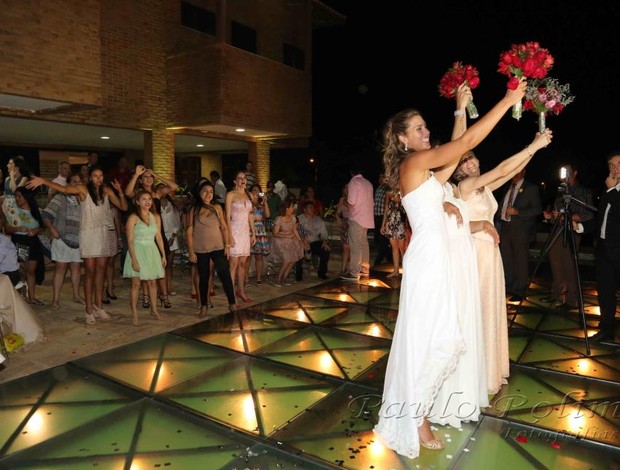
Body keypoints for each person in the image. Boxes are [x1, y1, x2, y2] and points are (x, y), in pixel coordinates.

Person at [372, 81, 526, 459]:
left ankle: (419, 409)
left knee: (440, 336)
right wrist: (507, 99)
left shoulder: (425, 171)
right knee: (435, 338)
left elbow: (454, 159)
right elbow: (463, 144)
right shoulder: (413, 164)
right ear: (403, 139)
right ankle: (417, 417)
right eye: (420, 129)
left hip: (439, 257)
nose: (427, 132)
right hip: (427, 259)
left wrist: (460, 108)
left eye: (427, 127)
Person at [452, 130, 553, 394]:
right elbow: (500, 169)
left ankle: (487, 367)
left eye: (471, 157)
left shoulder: (483, 186)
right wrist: (533, 145)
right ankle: (473, 370)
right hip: (475, 253)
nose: (471, 163)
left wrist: (535, 150)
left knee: (490, 308)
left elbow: (510, 171)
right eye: (464, 161)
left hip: (490, 255)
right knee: (478, 309)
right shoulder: (466, 187)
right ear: (457, 169)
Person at [26, 165, 129, 324]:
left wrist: (120, 191)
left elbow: (124, 207)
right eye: (95, 175)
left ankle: (98, 306)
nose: (98, 179)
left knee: (101, 270)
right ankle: (88, 310)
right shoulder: (83, 189)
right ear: (90, 177)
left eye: (101, 175)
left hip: (102, 234)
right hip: (88, 235)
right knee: (89, 272)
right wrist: (43, 181)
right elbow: (63, 189)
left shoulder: (106, 191)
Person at [579, 152, 620, 342]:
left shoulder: (611, 190)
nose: (615, 169)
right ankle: (606, 328)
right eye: (611, 165)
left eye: (619, 164)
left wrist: (611, 191)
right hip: (604, 248)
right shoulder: (610, 190)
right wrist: (580, 227)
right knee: (605, 292)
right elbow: (600, 219)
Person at [542, 163, 594, 309]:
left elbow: (587, 214)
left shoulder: (582, 191)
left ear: (575, 173)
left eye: (569, 172)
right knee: (556, 264)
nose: (566, 175)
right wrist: (550, 217)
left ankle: (571, 299)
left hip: (571, 232)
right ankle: (558, 295)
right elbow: (557, 213)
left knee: (570, 265)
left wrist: (565, 217)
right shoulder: (561, 191)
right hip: (556, 232)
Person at [186, 180, 237, 317]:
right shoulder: (194, 209)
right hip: (201, 248)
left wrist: (227, 244)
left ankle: (232, 303)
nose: (208, 194)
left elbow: (224, 227)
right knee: (204, 277)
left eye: (211, 191)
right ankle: (203, 305)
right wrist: (191, 251)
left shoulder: (217, 207)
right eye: (205, 191)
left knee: (224, 275)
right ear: (199, 193)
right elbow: (189, 230)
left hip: (218, 246)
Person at [497, 167, 543, 301]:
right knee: (507, 259)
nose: (515, 174)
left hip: (521, 230)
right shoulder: (508, 187)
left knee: (520, 261)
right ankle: (509, 287)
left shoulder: (531, 188)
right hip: (505, 228)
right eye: (514, 171)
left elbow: (537, 209)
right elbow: (502, 205)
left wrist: (518, 212)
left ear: (524, 172)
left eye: (518, 171)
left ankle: (520, 290)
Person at [42, 173, 85, 310]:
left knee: (76, 268)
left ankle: (76, 295)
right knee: (60, 269)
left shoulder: (83, 199)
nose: (77, 184)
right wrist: (52, 229)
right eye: (74, 181)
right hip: (62, 239)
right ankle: (55, 300)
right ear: (67, 184)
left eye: (79, 181)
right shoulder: (60, 197)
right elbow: (46, 215)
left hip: (79, 240)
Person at [123, 190, 166, 326]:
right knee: (136, 284)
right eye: (143, 199)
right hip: (137, 250)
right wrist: (134, 259)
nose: (147, 202)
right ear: (137, 202)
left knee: (153, 283)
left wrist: (163, 254)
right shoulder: (133, 218)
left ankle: (154, 310)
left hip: (151, 251)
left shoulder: (156, 217)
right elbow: (129, 240)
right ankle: (134, 313)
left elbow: (158, 236)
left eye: (149, 199)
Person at [1, 187, 46, 305]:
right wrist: (17, 228)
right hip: (20, 242)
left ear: (27, 197)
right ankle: (19, 299)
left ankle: (31, 297)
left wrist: (36, 230)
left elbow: (42, 227)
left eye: (19, 196)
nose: (17, 198)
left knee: (31, 271)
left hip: (33, 242)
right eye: (15, 196)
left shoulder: (36, 211)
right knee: (21, 270)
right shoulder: (13, 211)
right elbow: (6, 229)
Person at [225, 171, 256, 303]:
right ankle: (232, 295)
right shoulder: (230, 194)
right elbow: (226, 216)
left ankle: (241, 291)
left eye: (244, 178)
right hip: (234, 230)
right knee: (233, 263)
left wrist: (253, 232)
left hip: (245, 232)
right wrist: (229, 236)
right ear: (235, 181)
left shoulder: (249, 195)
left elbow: (250, 215)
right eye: (240, 178)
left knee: (243, 263)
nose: (243, 180)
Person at [340, 167, 374, 281]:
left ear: (351, 172)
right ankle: (365, 269)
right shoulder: (368, 183)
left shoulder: (354, 182)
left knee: (355, 245)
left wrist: (345, 201)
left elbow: (351, 201)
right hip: (367, 218)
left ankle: (354, 272)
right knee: (364, 243)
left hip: (357, 218)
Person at [269, 198, 304, 286]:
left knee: (294, 258)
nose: (293, 208)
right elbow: (275, 233)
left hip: (290, 240)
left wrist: (300, 240)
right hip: (280, 240)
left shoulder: (293, 218)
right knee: (287, 258)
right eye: (292, 206)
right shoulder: (279, 219)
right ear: (287, 208)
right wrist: (287, 236)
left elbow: (295, 230)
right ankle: (277, 279)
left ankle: (284, 277)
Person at [157, 183, 182, 296]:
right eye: (160, 188)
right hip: (159, 236)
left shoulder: (172, 204)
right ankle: (159, 289)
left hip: (171, 236)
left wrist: (173, 236)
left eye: (164, 188)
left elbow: (176, 221)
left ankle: (168, 288)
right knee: (159, 263)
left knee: (169, 264)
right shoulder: (154, 204)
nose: (163, 190)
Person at [296, 200, 331, 280]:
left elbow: (324, 233)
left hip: (314, 242)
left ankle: (322, 273)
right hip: (302, 242)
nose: (313, 209)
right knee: (298, 249)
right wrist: (303, 241)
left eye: (313, 207)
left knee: (325, 249)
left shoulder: (318, 220)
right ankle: (298, 275)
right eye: (310, 208)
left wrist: (325, 242)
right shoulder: (299, 219)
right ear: (304, 210)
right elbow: (296, 231)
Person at [381, 188, 406, 277]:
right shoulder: (388, 192)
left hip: (400, 222)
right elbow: (386, 209)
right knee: (394, 247)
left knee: (401, 248)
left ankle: (406, 271)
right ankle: (396, 271)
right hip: (391, 221)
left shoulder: (402, 190)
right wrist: (383, 224)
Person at [248, 184, 270, 285]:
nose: (256, 192)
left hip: (260, 230)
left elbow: (267, 215)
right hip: (249, 229)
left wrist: (265, 202)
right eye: (254, 190)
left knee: (259, 256)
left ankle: (259, 279)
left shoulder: (261, 204)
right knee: (248, 256)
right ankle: (245, 279)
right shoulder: (248, 202)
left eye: (258, 191)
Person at [373, 173, 392, 266]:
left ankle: (378, 261)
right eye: (380, 177)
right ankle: (390, 260)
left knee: (383, 240)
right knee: (378, 239)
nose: (381, 179)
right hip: (377, 216)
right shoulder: (378, 188)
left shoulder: (387, 189)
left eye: (383, 177)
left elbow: (388, 205)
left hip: (383, 217)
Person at [335, 184, 350, 276]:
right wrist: (338, 218)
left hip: (352, 223)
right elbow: (338, 212)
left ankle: (349, 267)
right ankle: (343, 268)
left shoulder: (354, 199)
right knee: (345, 247)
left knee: (352, 248)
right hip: (345, 224)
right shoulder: (342, 200)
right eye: (345, 188)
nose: (346, 190)